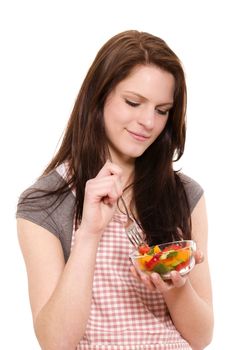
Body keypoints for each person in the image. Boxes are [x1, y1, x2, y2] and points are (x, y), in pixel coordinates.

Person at [16, 30, 214, 350]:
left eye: (162, 110)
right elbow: (55, 342)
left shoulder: (184, 195)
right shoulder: (45, 202)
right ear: (99, 94)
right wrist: (90, 234)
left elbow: (202, 336)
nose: (148, 122)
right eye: (133, 102)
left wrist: (173, 285)